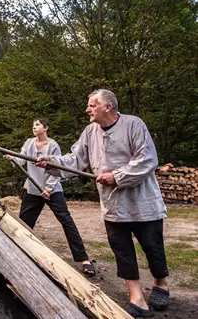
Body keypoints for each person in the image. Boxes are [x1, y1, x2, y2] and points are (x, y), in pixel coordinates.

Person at [36, 89, 169, 318]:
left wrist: (117, 176)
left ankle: (161, 284)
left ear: (107, 107)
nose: (88, 109)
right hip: (113, 205)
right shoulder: (90, 131)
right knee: (122, 249)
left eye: (92, 105)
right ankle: (136, 297)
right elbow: (75, 159)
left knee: (152, 246)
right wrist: (52, 162)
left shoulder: (134, 125)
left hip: (142, 202)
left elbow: (147, 158)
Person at [3, 118, 95, 277]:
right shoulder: (29, 143)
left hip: (51, 190)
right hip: (32, 189)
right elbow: (21, 159)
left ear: (45, 128)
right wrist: (13, 158)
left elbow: (57, 168)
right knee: (24, 223)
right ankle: (18, 252)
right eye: (33, 125)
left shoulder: (53, 145)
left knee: (66, 220)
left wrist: (48, 188)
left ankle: (83, 259)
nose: (34, 127)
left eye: (37, 124)